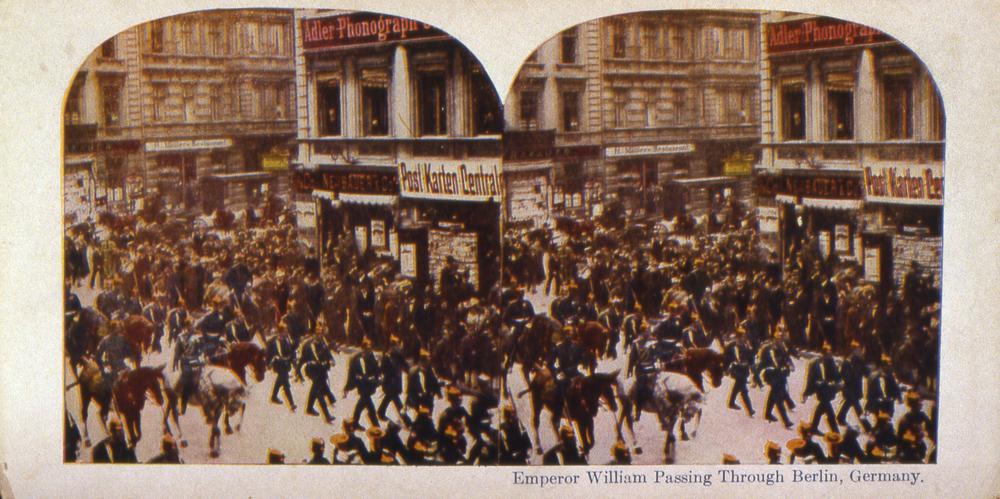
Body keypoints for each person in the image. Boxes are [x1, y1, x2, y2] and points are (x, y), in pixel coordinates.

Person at [802, 342, 841, 435]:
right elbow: (810, 378)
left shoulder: (830, 362)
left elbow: (836, 375)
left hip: (828, 389)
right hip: (820, 389)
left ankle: (813, 428)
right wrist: (806, 393)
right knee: (827, 408)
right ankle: (835, 432)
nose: (830, 355)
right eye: (828, 353)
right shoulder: (814, 364)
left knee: (822, 408)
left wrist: (837, 384)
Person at [344, 337, 381, 426]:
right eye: (368, 348)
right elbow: (353, 373)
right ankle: (375, 425)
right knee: (368, 405)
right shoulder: (357, 358)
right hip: (363, 385)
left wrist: (378, 377)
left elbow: (376, 368)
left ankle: (355, 422)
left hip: (369, 385)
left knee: (362, 404)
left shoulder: (371, 355)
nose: (370, 349)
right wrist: (348, 387)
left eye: (371, 347)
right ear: (363, 348)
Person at [724, 327, 755, 418]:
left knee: (739, 388)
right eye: (743, 336)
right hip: (738, 370)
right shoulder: (736, 347)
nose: (745, 337)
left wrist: (750, 349)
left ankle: (731, 402)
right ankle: (749, 409)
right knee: (743, 390)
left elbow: (750, 357)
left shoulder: (745, 345)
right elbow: (738, 359)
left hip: (743, 370)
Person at [837, 341, 869, 426]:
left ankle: (840, 417)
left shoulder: (860, 362)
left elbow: (867, 374)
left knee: (848, 403)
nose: (861, 352)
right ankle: (866, 426)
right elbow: (845, 377)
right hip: (850, 389)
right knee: (857, 407)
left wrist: (864, 363)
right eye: (858, 350)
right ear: (853, 351)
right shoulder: (847, 362)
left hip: (856, 388)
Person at [266, 325, 297, 412]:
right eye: (285, 331)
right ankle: (291, 404)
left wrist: (293, 359)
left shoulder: (287, 339)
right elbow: (268, 354)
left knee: (280, 381)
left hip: (286, 364)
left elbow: (292, 350)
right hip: (279, 364)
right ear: (280, 332)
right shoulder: (273, 342)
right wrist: (267, 364)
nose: (287, 332)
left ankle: (273, 397)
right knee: (286, 384)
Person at [406, 349, 441, 414]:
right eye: (427, 360)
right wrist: (409, 400)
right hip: (418, 397)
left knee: (428, 413)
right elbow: (410, 387)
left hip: (428, 397)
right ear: (422, 361)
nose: (429, 361)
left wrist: (438, 392)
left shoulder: (430, 370)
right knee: (421, 415)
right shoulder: (413, 371)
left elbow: (434, 381)